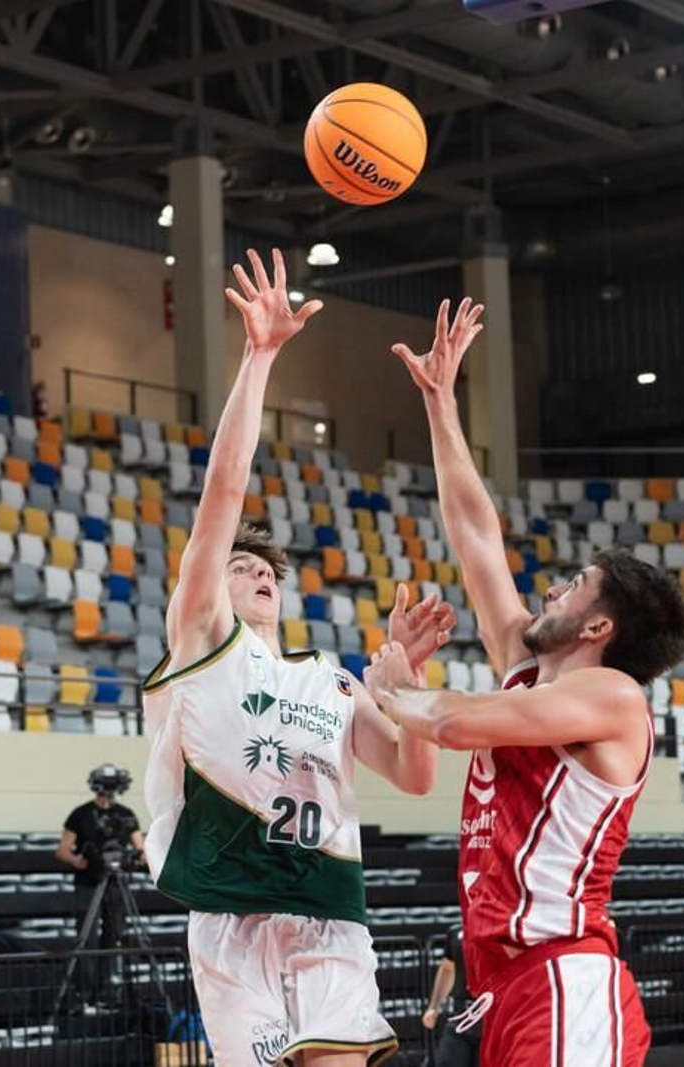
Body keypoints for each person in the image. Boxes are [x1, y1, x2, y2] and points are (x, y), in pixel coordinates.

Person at [142, 248, 457, 1067]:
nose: (256, 575)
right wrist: (260, 356)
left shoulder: (334, 679)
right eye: (241, 567)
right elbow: (222, 494)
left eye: (268, 571)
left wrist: (413, 689)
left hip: (327, 909)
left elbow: (417, 776)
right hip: (234, 912)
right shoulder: (205, 642)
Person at [364, 298, 684, 1067]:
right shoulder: (525, 667)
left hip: (562, 972)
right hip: (496, 983)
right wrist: (440, 403)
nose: (552, 590)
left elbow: (450, 724)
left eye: (575, 585)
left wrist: (391, 686)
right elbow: (477, 532)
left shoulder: (613, 699)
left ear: (599, 627)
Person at [55, 764, 145, 1010]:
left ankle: (107, 992)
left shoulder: (126, 815)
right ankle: (84, 993)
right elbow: (62, 851)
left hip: (116, 885)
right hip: (88, 884)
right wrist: (78, 860)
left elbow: (142, 850)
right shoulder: (81, 814)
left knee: (113, 938)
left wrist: (136, 859)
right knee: (87, 940)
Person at [421, 925, 479, 1067]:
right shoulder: (456, 931)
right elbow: (447, 968)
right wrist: (434, 1006)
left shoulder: (501, 930)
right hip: (460, 1015)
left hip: (491, 1020)